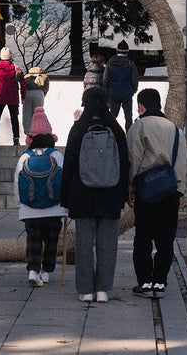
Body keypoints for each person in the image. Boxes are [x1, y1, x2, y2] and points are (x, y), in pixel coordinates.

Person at [60, 86, 130, 303]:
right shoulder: (116, 129)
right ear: (107, 103)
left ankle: (86, 290)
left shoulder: (79, 129)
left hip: (83, 195)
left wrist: (65, 197)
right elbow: (125, 164)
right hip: (111, 194)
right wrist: (124, 194)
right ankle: (103, 290)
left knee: (83, 245)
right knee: (107, 245)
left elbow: (69, 164)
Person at [127, 88, 187, 299]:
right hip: (169, 191)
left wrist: (130, 189)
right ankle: (160, 282)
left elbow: (133, 160)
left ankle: (145, 282)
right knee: (165, 241)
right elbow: (182, 163)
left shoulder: (139, 127)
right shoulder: (175, 129)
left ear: (141, 106)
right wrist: (180, 191)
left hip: (146, 191)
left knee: (143, 238)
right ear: (160, 105)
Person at [14, 108, 66, 287]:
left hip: (30, 209)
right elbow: (65, 181)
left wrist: (20, 204)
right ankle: (46, 271)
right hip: (54, 207)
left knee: (33, 240)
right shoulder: (56, 156)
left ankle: (33, 270)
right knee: (51, 240)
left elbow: (16, 182)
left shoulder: (24, 157)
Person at [0, 47, 25, 145]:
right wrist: (23, 97)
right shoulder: (17, 69)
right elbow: (23, 84)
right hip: (13, 98)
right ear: (10, 57)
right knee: (14, 119)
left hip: (0, 97)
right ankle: (16, 139)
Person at [105, 41, 140, 130]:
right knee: (128, 117)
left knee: (112, 117)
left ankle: (111, 133)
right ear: (127, 52)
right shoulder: (130, 63)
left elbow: (105, 79)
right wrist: (133, 90)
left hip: (113, 93)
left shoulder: (110, 63)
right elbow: (135, 79)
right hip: (127, 93)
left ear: (117, 51)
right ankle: (129, 137)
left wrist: (106, 92)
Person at [22, 66, 50, 140]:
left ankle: (28, 134)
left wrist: (23, 97)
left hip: (27, 94)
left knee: (27, 115)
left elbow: (22, 87)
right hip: (39, 93)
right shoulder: (44, 76)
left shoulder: (26, 76)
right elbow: (46, 88)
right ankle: (38, 134)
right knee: (38, 114)